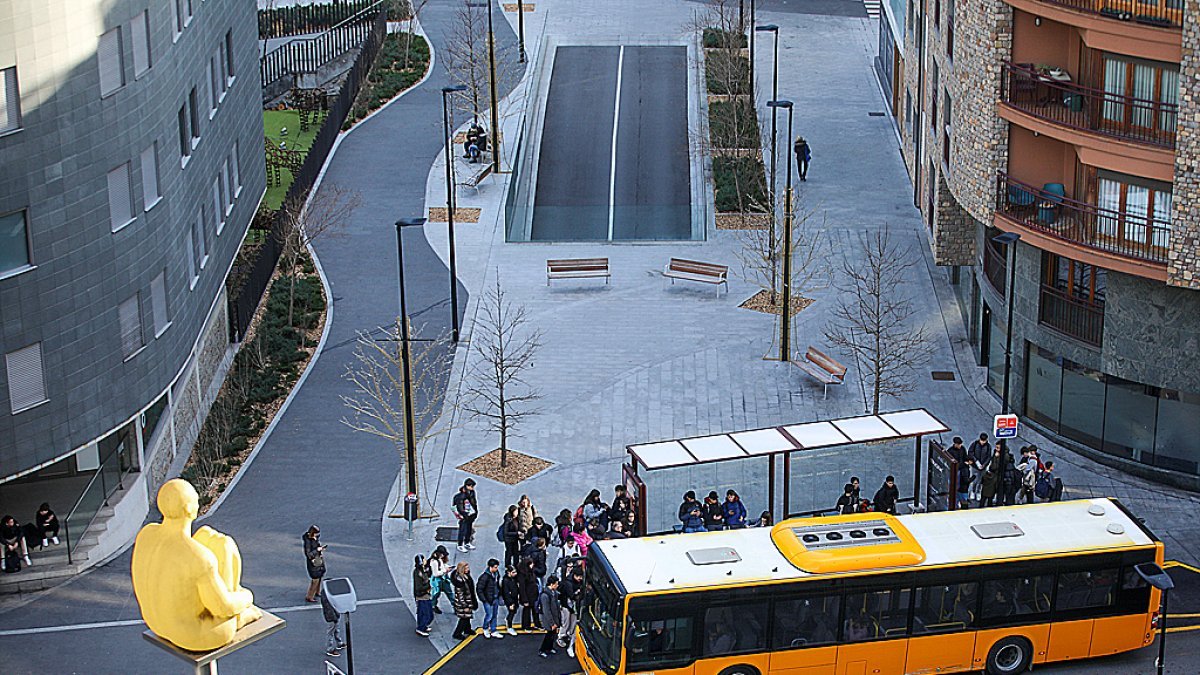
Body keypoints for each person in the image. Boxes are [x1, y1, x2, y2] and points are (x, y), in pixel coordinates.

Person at [558, 564, 584, 656]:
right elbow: (572, 596)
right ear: (574, 575)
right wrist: (578, 593)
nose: (580, 578)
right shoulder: (568, 583)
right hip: (566, 606)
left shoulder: (576, 582)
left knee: (572, 623)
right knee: (566, 623)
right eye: (579, 577)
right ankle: (561, 637)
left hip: (572, 607)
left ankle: (568, 635)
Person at [476, 558, 504, 639]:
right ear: (490, 567)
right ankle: (485, 628)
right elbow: (479, 589)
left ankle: (493, 630)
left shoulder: (496, 574)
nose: (497, 569)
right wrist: (484, 600)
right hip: (488, 599)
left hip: (495, 597)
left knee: (494, 615)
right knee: (489, 615)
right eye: (495, 567)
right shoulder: (484, 577)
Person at [450, 561, 478, 640]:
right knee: (464, 618)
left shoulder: (465, 576)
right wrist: (465, 605)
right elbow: (460, 595)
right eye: (466, 568)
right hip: (463, 603)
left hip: (467, 600)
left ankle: (467, 629)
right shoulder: (459, 580)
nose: (468, 569)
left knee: (467, 617)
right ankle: (457, 633)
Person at [538, 576, 562, 658]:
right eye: (556, 584)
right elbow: (546, 611)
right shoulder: (545, 595)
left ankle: (549, 648)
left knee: (553, 635)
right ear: (552, 584)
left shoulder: (554, 592)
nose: (557, 585)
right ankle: (542, 650)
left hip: (555, 617)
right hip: (549, 620)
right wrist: (552, 623)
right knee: (548, 635)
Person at [453, 479, 478, 552]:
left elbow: (474, 502)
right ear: (467, 486)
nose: (473, 488)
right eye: (471, 486)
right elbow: (460, 508)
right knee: (462, 530)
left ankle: (467, 542)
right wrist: (463, 515)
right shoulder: (460, 496)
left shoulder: (472, 493)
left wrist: (475, 512)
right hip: (464, 516)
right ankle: (460, 545)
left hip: (471, 514)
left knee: (469, 529)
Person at [303, 525, 326, 602]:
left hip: (318, 559)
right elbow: (309, 554)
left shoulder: (315, 538)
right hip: (313, 562)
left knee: (319, 577)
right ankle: (309, 596)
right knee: (315, 579)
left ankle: (317, 591)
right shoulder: (308, 542)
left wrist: (320, 550)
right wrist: (317, 550)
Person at [517, 557, 541, 630]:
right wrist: (524, 599)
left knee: (535, 610)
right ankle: (526, 626)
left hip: (533, 595)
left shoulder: (531, 572)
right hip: (527, 596)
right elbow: (522, 588)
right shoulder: (522, 575)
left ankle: (537, 624)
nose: (533, 565)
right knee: (527, 611)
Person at [947, 437, 971, 508]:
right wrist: (964, 463)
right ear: (955, 444)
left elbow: (965, 457)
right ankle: (954, 500)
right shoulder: (950, 451)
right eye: (959, 444)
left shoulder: (962, 449)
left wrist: (968, 460)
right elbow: (953, 464)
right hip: (955, 471)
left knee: (959, 486)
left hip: (962, 469)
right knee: (954, 486)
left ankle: (958, 500)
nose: (960, 446)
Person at [430, 545, 454, 613]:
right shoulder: (434, 561)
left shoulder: (439, 559)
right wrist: (445, 571)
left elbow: (442, 566)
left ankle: (455, 606)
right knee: (436, 594)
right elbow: (435, 573)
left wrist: (447, 567)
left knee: (449, 593)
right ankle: (433, 606)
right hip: (437, 581)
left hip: (443, 579)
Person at [967, 433, 992, 503]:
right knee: (974, 480)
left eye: (984, 441)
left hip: (983, 467)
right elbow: (970, 453)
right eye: (982, 440)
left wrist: (984, 465)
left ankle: (978, 492)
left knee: (980, 481)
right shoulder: (975, 444)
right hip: (975, 466)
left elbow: (988, 457)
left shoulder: (988, 446)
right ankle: (972, 491)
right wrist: (976, 461)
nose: (982, 442)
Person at [413, 555, 434, 637]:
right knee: (425, 614)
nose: (425, 560)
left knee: (427, 613)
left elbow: (429, 574)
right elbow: (419, 587)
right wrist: (428, 587)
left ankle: (423, 626)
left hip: (425, 595)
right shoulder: (418, 573)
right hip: (422, 596)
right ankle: (421, 628)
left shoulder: (423, 570)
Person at [501, 564, 521, 635]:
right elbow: (506, 593)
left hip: (515, 598)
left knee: (513, 611)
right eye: (513, 572)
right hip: (510, 600)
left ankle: (508, 622)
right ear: (508, 572)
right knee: (511, 613)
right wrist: (510, 603)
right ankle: (509, 627)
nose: (515, 573)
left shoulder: (513, 579)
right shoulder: (505, 581)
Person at [502, 505, 521, 570]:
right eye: (516, 512)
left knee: (516, 552)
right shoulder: (508, 520)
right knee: (509, 552)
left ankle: (516, 564)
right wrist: (516, 533)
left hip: (515, 539)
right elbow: (506, 532)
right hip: (509, 540)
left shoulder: (516, 518)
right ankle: (508, 565)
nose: (517, 513)